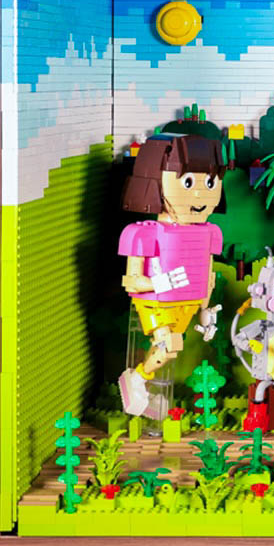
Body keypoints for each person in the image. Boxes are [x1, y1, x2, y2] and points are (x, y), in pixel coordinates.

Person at [117, 133, 225, 417]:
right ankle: (137, 379)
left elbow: (208, 275)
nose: (199, 194)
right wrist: (159, 282)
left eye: (209, 183)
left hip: (187, 303)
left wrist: (205, 310)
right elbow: (131, 281)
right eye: (188, 182)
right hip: (156, 303)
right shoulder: (143, 233)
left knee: (172, 349)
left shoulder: (210, 233)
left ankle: (142, 386)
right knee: (168, 347)